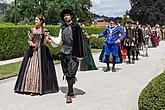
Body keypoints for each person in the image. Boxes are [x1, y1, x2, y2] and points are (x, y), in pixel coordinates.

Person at [14, 15, 59, 95]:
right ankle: (27, 88)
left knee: (40, 69)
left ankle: (37, 89)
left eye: (37, 20)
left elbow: (47, 40)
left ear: (41, 21)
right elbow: (29, 40)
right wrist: (31, 44)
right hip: (32, 51)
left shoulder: (44, 30)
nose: (35, 21)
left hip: (41, 52)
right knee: (29, 69)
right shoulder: (31, 30)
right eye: (35, 20)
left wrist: (48, 40)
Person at [49, 9, 85, 103]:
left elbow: (80, 41)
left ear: (71, 16)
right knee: (66, 72)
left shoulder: (76, 27)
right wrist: (51, 39)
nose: (66, 17)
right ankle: (71, 90)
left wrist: (79, 55)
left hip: (73, 52)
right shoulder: (62, 28)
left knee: (71, 73)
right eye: (65, 16)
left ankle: (69, 94)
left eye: (68, 15)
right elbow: (59, 41)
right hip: (64, 52)